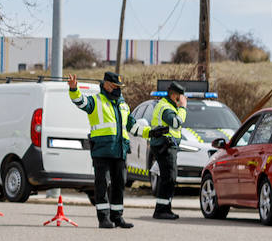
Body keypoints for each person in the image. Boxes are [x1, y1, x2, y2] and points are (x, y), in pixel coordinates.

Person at [68, 71, 147, 229]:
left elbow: (132, 126)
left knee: (119, 184)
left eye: (119, 86)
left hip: (119, 150)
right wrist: (74, 89)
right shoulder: (96, 101)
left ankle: (117, 217)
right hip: (102, 150)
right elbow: (81, 102)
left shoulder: (123, 104)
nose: (118, 89)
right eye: (114, 86)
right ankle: (103, 218)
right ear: (105, 84)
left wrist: (151, 132)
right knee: (102, 184)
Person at [148, 82, 188, 220]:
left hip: (167, 146)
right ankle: (161, 210)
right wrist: (183, 108)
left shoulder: (169, 106)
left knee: (169, 178)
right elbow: (176, 123)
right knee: (169, 178)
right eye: (180, 96)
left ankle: (165, 208)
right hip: (165, 146)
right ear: (173, 95)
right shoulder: (166, 108)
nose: (182, 99)